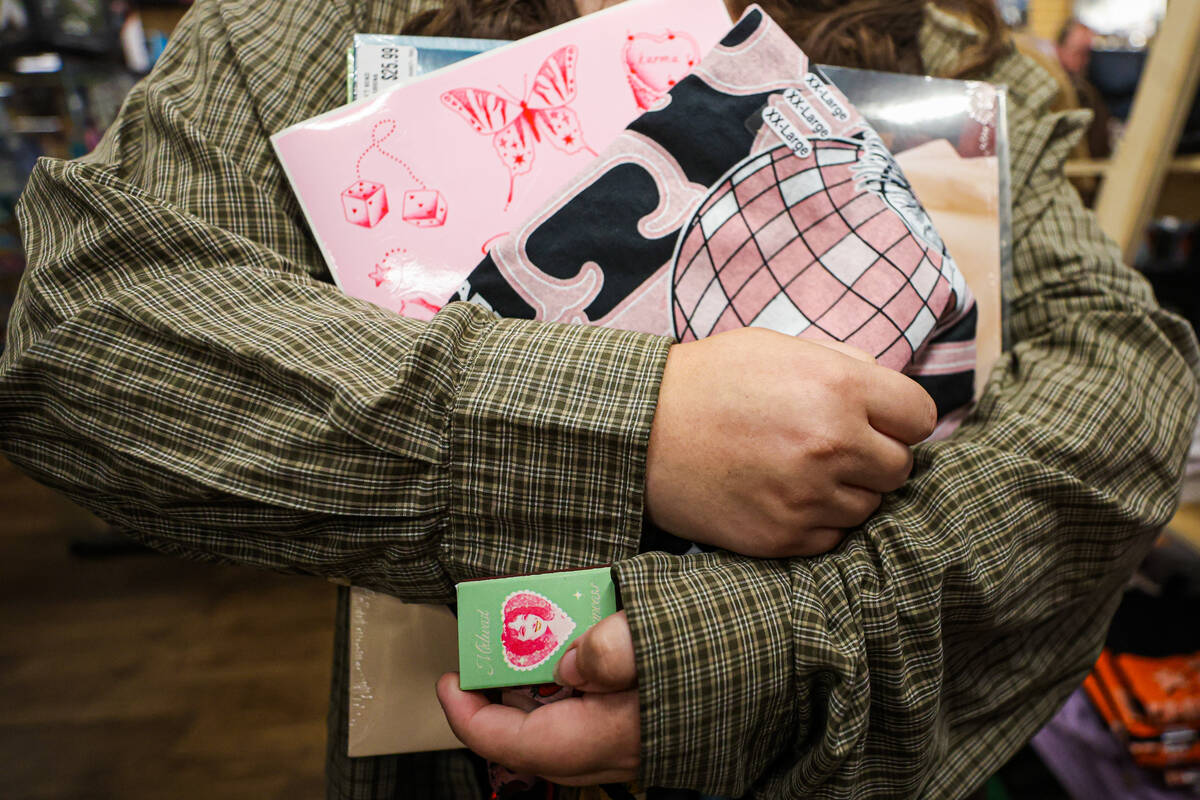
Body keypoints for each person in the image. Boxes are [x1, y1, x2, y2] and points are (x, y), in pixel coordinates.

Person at [0, 0, 1196, 798]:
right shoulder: (318, 21)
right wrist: (641, 424)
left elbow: (1120, 398)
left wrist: (770, 651)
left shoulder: (949, 56)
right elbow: (85, 332)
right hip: (462, 749)